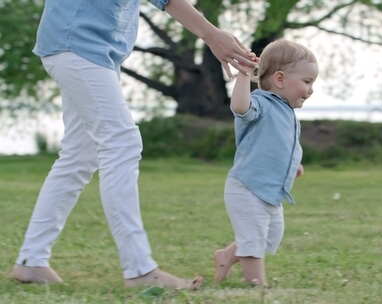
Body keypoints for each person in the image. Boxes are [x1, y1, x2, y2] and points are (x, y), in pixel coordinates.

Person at [8, 0, 256, 289]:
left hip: (83, 49)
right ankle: (139, 270)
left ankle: (31, 262)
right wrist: (213, 35)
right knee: (121, 143)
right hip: (78, 46)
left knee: (79, 156)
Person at [213, 39, 318, 285]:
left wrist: (293, 164)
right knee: (254, 240)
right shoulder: (261, 103)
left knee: (271, 237)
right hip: (248, 187)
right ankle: (257, 285)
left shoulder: (287, 113)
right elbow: (240, 106)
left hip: (270, 191)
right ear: (280, 79)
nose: (311, 90)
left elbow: (283, 144)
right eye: (307, 82)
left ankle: (226, 255)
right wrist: (243, 76)